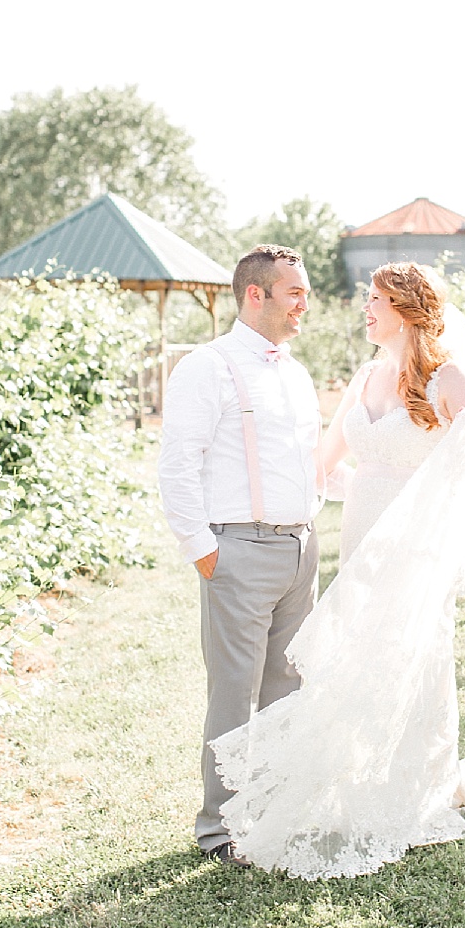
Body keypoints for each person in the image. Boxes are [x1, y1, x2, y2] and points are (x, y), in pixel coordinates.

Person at [208, 261, 465, 880]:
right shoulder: (363, 377)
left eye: (377, 300)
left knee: (415, 658)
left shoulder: (448, 376)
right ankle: (355, 778)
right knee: (356, 659)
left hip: (416, 543)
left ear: (409, 310)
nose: (366, 309)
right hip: (361, 539)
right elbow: (322, 460)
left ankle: (416, 787)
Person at [157, 244, 322, 867]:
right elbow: (178, 464)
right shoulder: (209, 366)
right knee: (235, 693)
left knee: (288, 687)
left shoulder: (295, 372)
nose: (304, 303)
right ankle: (219, 831)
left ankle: (273, 816)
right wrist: (204, 550)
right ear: (257, 294)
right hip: (238, 552)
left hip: (300, 549)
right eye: (295, 293)